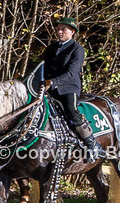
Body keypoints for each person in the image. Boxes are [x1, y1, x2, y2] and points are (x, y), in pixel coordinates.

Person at [40, 16, 101, 159]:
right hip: (49, 87)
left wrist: (53, 82)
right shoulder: (51, 48)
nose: (59, 32)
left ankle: (91, 144)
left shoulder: (77, 49)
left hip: (68, 87)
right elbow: (42, 68)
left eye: (63, 29)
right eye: (58, 29)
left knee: (72, 110)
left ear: (72, 32)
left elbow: (71, 72)